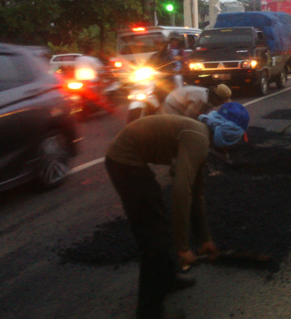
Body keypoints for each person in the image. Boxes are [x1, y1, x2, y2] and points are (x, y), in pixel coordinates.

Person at [105, 103, 249, 319]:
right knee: (155, 241)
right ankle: (149, 312)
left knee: (160, 226)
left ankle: (168, 280)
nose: (231, 148)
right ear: (229, 134)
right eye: (235, 141)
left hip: (131, 161)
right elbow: (181, 192)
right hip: (124, 162)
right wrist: (182, 247)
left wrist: (204, 238)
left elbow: (196, 192)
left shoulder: (200, 135)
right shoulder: (198, 139)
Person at [159, 84, 232, 120]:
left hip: (179, 107)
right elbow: (190, 118)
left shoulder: (206, 95)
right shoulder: (200, 100)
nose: (220, 104)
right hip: (171, 108)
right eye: (221, 102)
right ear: (217, 98)